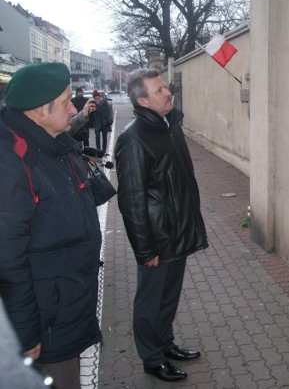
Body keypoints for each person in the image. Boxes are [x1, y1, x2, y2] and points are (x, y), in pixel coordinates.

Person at [0, 62, 103, 389]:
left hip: (64, 305)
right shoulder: (13, 163)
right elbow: (8, 258)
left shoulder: (53, 144)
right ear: (38, 111)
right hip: (45, 321)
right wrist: (26, 330)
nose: (74, 108)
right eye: (65, 101)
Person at [115, 68, 209, 382]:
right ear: (142, 100)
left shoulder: (170, 126)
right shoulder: (133, 139)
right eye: (159, 91)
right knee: (150, 302)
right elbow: (132, 201)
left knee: (169, 296)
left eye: (165, 87)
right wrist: (145, 249)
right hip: (157, 239)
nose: (167, 92)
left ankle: (165, 343)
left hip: (178, 231)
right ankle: (152, 358)